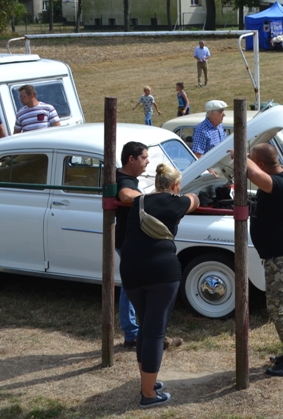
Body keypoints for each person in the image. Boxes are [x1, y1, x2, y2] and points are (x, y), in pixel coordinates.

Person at [120, 162, 199, 408]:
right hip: (161, 272)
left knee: (145, 328)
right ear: (175, 185)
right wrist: (186, 194)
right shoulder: (176, 202)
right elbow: (194, 199)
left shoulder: (139, 202)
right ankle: (148, 395)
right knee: (155, 332)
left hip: (131, 271)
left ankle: (148, 382)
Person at [244, 142, 283, 376]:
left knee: (278, 308)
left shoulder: (277, 184)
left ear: (261, 164)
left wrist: (240, 157)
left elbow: (252, 173)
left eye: (253, 158)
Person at [114, 142, 180, 353]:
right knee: (128, 289)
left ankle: (142, 333)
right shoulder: (124, 180)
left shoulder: (130, 178)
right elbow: (125, 195)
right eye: (144, 157)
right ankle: (133, 335)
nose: (147, 161)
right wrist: (155, 200)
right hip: (128, 241)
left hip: (130, 240)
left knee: (134, 287)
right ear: (131, 159)